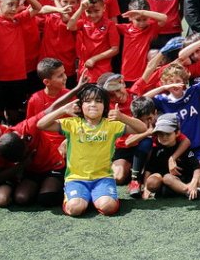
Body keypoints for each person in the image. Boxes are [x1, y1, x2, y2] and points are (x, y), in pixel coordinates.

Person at [37, 84, 146, 216]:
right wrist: (63, 110)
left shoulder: (111, 125)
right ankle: (82, 198)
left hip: (103, 178)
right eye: (88, 101)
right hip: (76, 179)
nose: (93, 104)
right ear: (80, 105)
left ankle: (96, 198)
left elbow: (142, 129)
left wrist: (122, 117)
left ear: (105, 106)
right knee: (75, 209)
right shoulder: (72, 123)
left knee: (108, 207)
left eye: (98, 101)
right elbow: (41, 124)